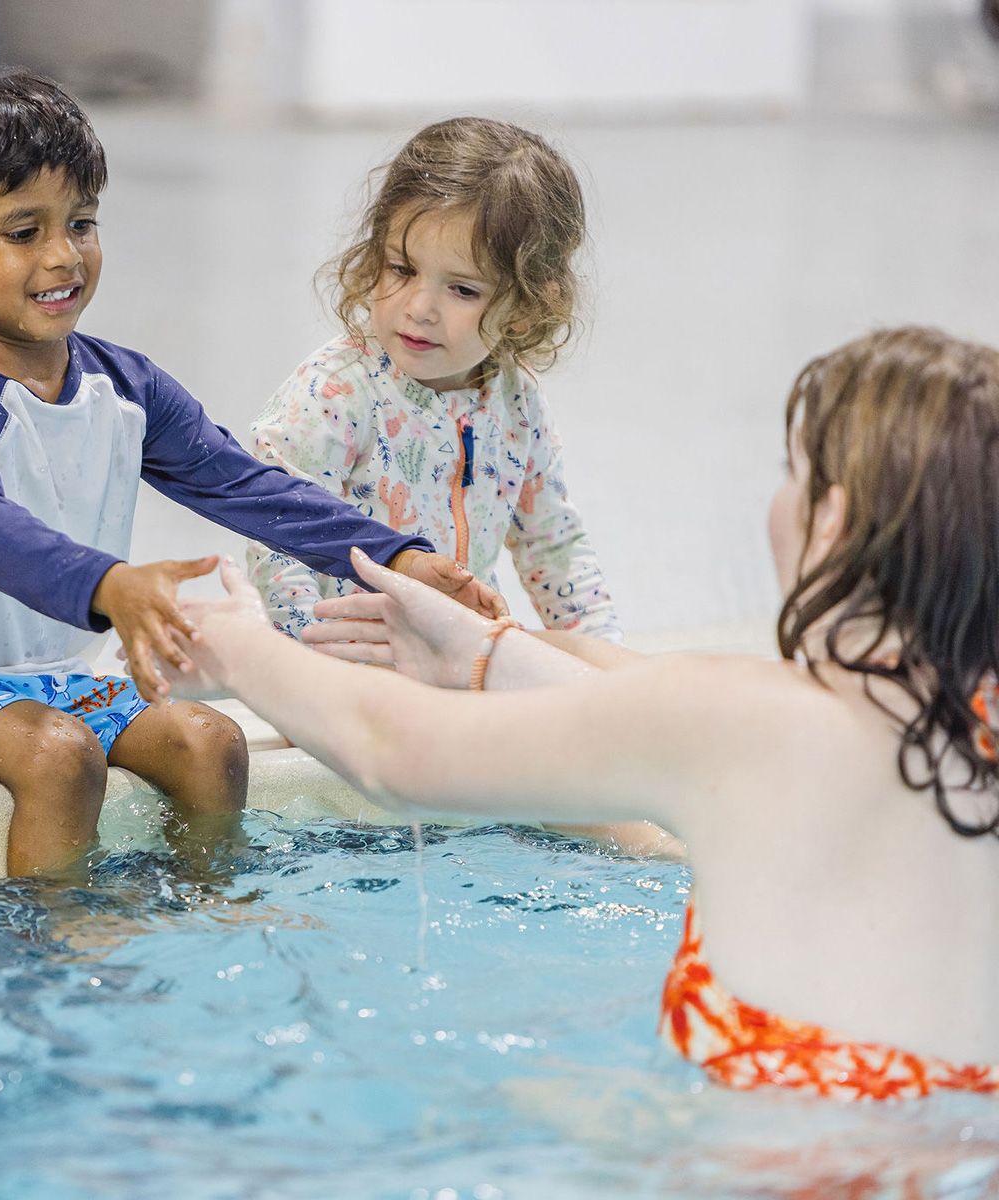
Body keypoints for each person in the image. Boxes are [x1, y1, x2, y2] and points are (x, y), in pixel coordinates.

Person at [162, 327, 999, 1100]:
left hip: (770, 1160)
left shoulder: (742, 718)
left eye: (793, 471)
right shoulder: (970, 720)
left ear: (832, 522)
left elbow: (394, 752)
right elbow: (635, 706)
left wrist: (241, 646)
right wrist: (481, 652)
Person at [0, 62, 502, 879]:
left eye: (80, 222)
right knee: (57, 757)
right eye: (23, 232)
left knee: (207, 741)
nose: (63, 256)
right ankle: (63, 945)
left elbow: (243, 484)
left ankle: (208, 916)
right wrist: (109, 584)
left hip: (55, 683)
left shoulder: (125, 386)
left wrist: (397, 555)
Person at [244, 117, 621, 647]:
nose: (419, 308)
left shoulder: (516, 400)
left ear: (526, 306)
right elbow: (278, 542)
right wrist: (316, 662)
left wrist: (603, 656)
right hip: (344, 655)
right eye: (401, 269)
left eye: (463, 290)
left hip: (451, 652)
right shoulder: (335, 394)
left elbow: (552, 546)